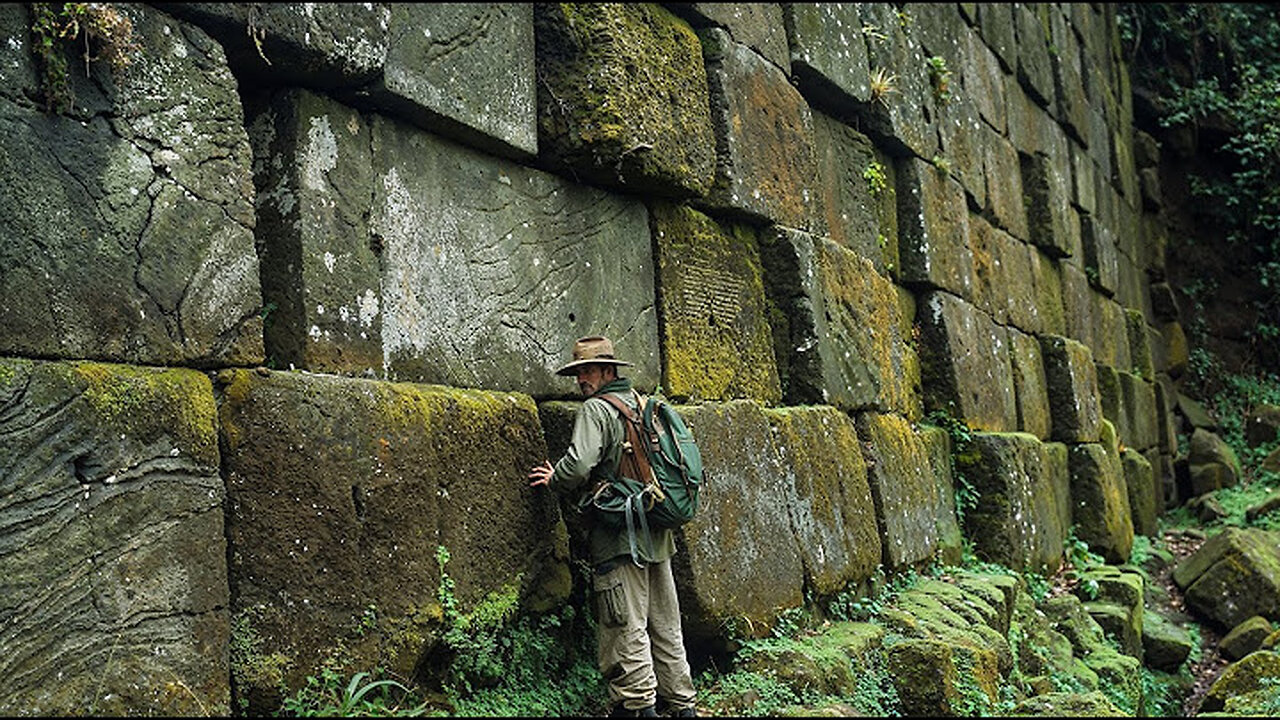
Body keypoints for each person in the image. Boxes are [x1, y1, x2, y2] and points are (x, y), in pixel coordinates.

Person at [529, 336, 698, 718]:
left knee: (626, 622)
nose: (581, 380)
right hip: (657, 530)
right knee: (666, 625)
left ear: (608, 371)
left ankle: (638, 707)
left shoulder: (596, 410)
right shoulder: (643, 405)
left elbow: (579, 464)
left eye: (587, 371)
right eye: (577, 373)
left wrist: (555, 478)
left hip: (620, 534)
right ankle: (682, 704)